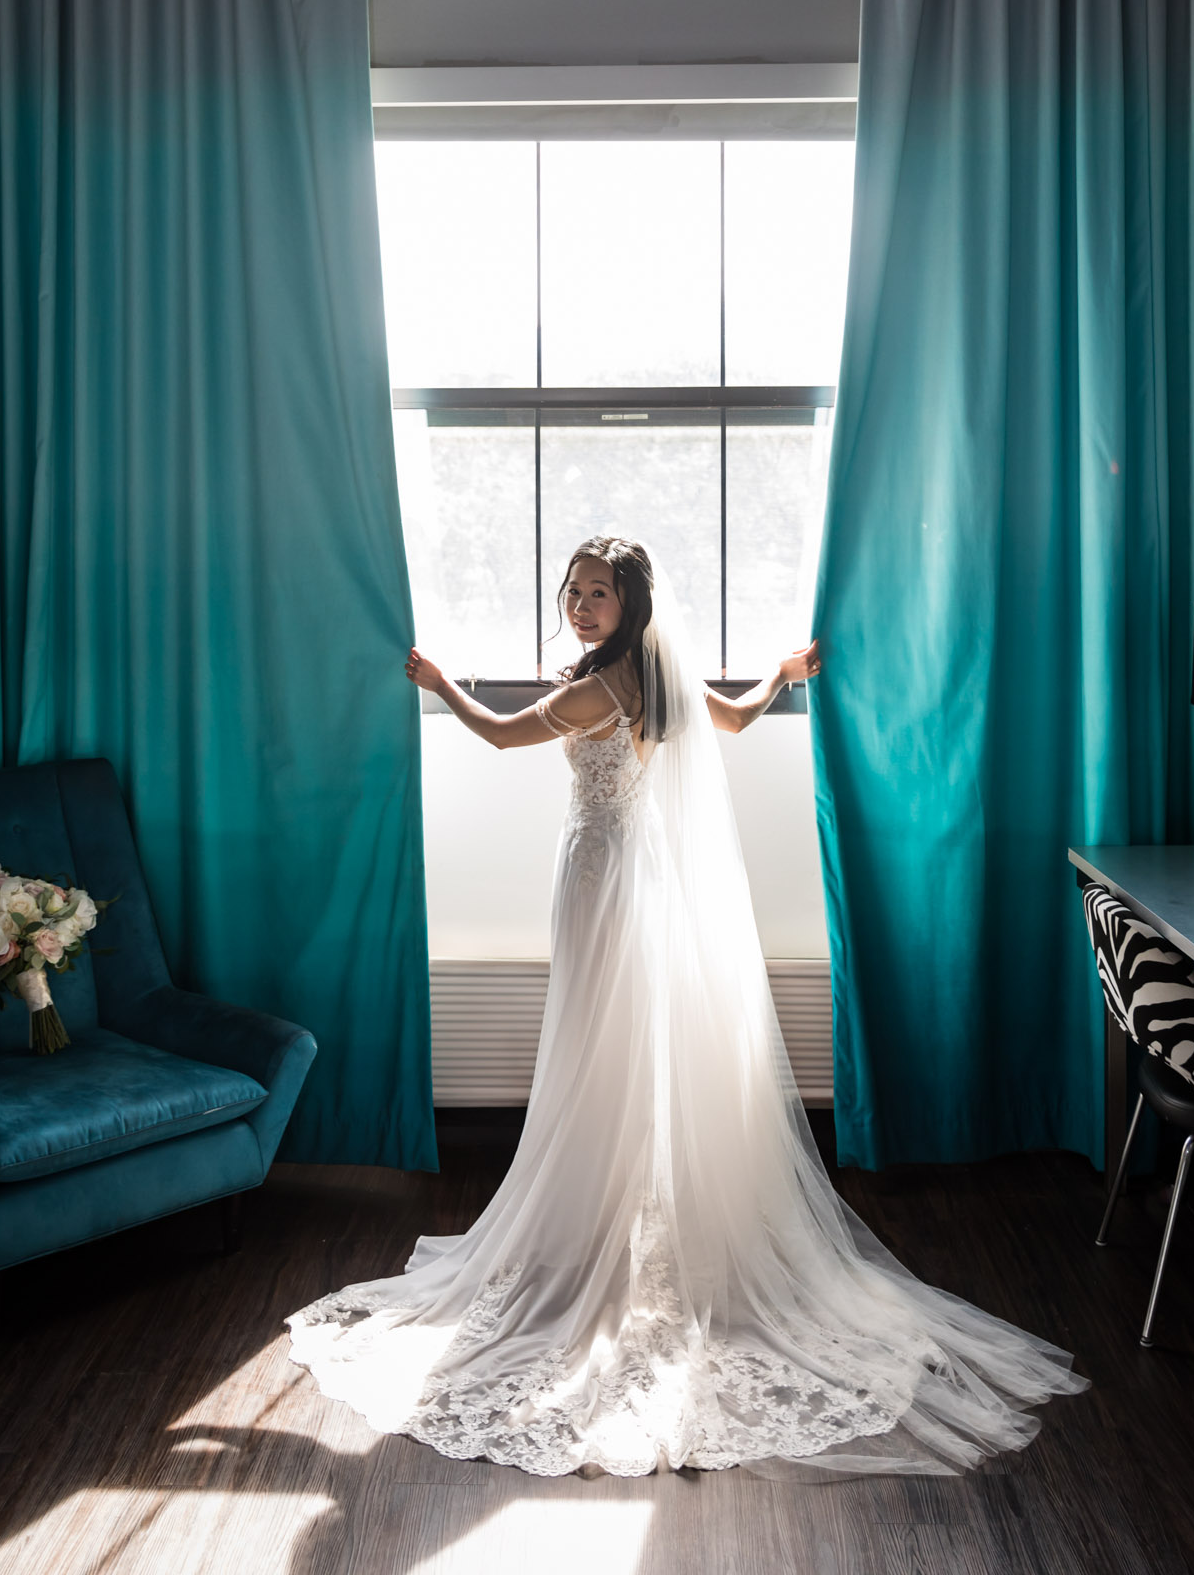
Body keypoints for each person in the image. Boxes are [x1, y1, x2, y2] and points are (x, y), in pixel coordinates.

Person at [288, 536, 1086, 1476]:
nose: (581, 603)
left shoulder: (601, 690)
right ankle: (627, 1218)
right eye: (574, 589)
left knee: (602, 1045)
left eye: (599, 593)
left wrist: (438, 681)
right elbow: (739, 721)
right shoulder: (657, 674)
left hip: (598, 873)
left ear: (631, 602)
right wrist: (784, 676)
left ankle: (606, 1235)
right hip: (644, 878)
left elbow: (503, 736)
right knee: (629, 1048)